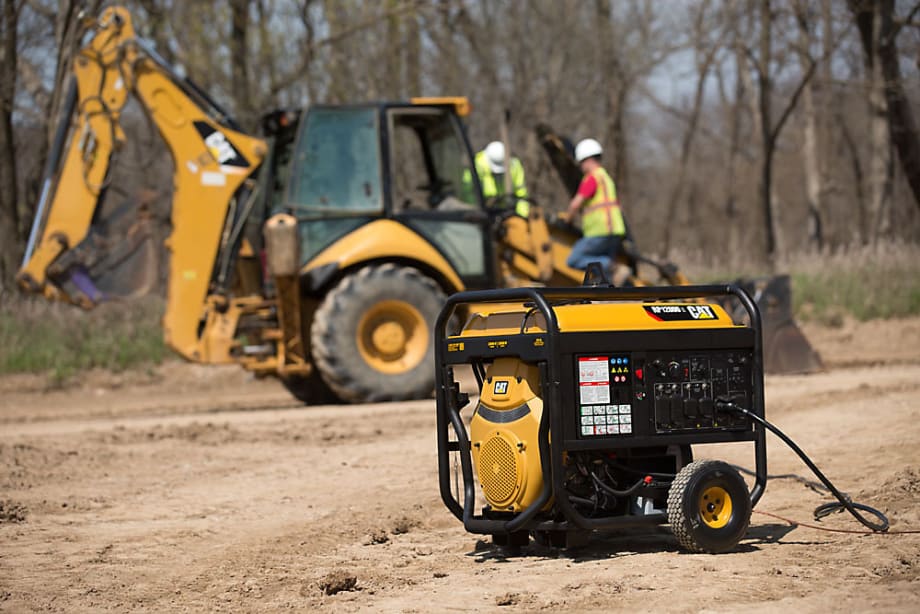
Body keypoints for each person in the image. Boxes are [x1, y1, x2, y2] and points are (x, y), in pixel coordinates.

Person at [564, 138, 628, 283]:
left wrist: (568, 219)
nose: (581, 166)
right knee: (605, 278)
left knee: (574, 260)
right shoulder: (606, 178)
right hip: (615, 230)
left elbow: (575, 204)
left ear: (587, 160)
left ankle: (614, 267)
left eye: (581, 162)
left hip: (599, 231)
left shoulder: (591, 178)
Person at [466, 141, 530, 217]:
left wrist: (522, 216)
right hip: (483, 210)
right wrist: (475, 211)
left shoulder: (514, 165)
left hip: (507, 210)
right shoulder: (476, 166)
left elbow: (521, 193)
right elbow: (468, 192)